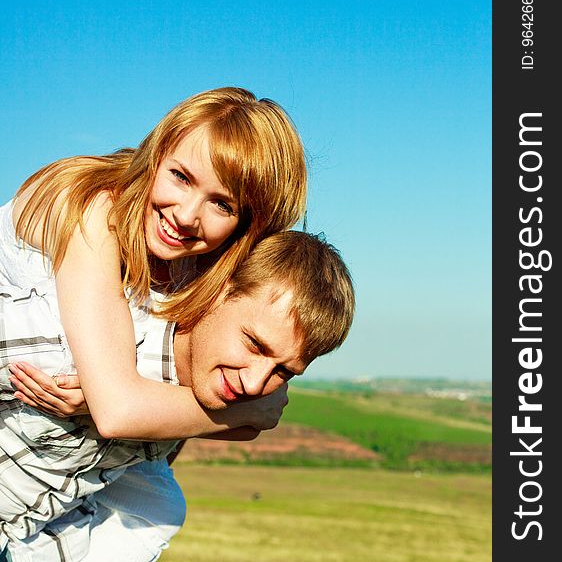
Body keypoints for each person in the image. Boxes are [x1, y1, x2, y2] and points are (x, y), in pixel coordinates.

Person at [0, 231, 355, 561]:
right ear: (218, 292)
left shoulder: (209, 389)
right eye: (254, 344)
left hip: (35, 539)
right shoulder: (74, 343)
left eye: (284, 371)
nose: (254, 384)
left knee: (162, 511)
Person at [0, 86, 307, 442]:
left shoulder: (194, 264)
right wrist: (246, 411)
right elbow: (117, 411)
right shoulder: (93, 209)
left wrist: (135, 401)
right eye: (181, 177)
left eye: (222, 205)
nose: (186, 215)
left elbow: (163, 408)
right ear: (158, 153)